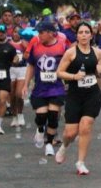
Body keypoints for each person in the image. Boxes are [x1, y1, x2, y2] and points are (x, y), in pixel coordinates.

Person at [55, 21, 101, 175]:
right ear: (76, 36)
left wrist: (100, 71)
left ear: (91, 35)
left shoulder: (98, 53)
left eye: (86, 32)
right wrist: (74, 76)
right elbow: (59, 72)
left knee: (86, 125)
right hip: (74, 94)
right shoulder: (70, 52)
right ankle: (64, 146)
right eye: (81, 32)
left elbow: (100, 72)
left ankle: (80, 162)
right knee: (70, 132)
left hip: (92, 94)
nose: (83, 35)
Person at [23, 22, 70, 158]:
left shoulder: (62, 46)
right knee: (41, 116)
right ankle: (40, 129)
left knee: (53, 116)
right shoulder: (36, 47)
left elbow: (70, 61)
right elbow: (31, 66)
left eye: (41, 32)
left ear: (50, 33)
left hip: (56, 87)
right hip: (40, 87)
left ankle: (49, 143)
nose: (39, 35)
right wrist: (26, 84)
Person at [8, 28, 28, 127]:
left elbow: (29, 56)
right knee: (12, 95)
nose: (17, 34)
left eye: (19, 32)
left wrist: (26, 49)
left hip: (22, 69)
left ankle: (20, 114)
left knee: (19, 93)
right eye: (15, 31)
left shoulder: (24, 43)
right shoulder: (8, 43)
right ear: (12, 33)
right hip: (11, 69)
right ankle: (14, 116)